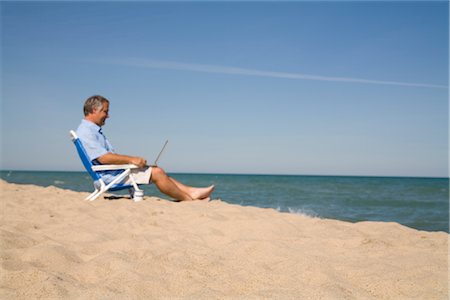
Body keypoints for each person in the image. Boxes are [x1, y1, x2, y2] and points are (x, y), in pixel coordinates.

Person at [76, 95, 214, 201]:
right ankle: (189, 200)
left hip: (112, 173)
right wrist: (131, 160)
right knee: (157, 173)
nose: (108, 115)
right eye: (105, 111)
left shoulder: (91, 130)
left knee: (155, 170)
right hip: (109, 177)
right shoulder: (87, 131)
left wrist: (131, 162)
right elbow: (103, 158)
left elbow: (103, 157)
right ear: (94, 110)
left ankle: (191, 192)